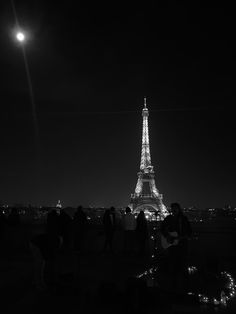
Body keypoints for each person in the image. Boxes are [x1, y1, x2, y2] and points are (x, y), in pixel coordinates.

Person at [160, 202, 192, 292]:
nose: (173, 210)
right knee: (173, 266)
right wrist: (167, 236)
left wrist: (180, 237)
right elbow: (162, 229)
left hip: (182, 246)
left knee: (182, 267)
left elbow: (189, 232)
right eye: (172, 208)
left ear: (179, 209)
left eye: (175, 208)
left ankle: (184, 288)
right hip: (172, 247)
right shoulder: (168, 218)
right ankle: (174, 288)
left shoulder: (183, 219)